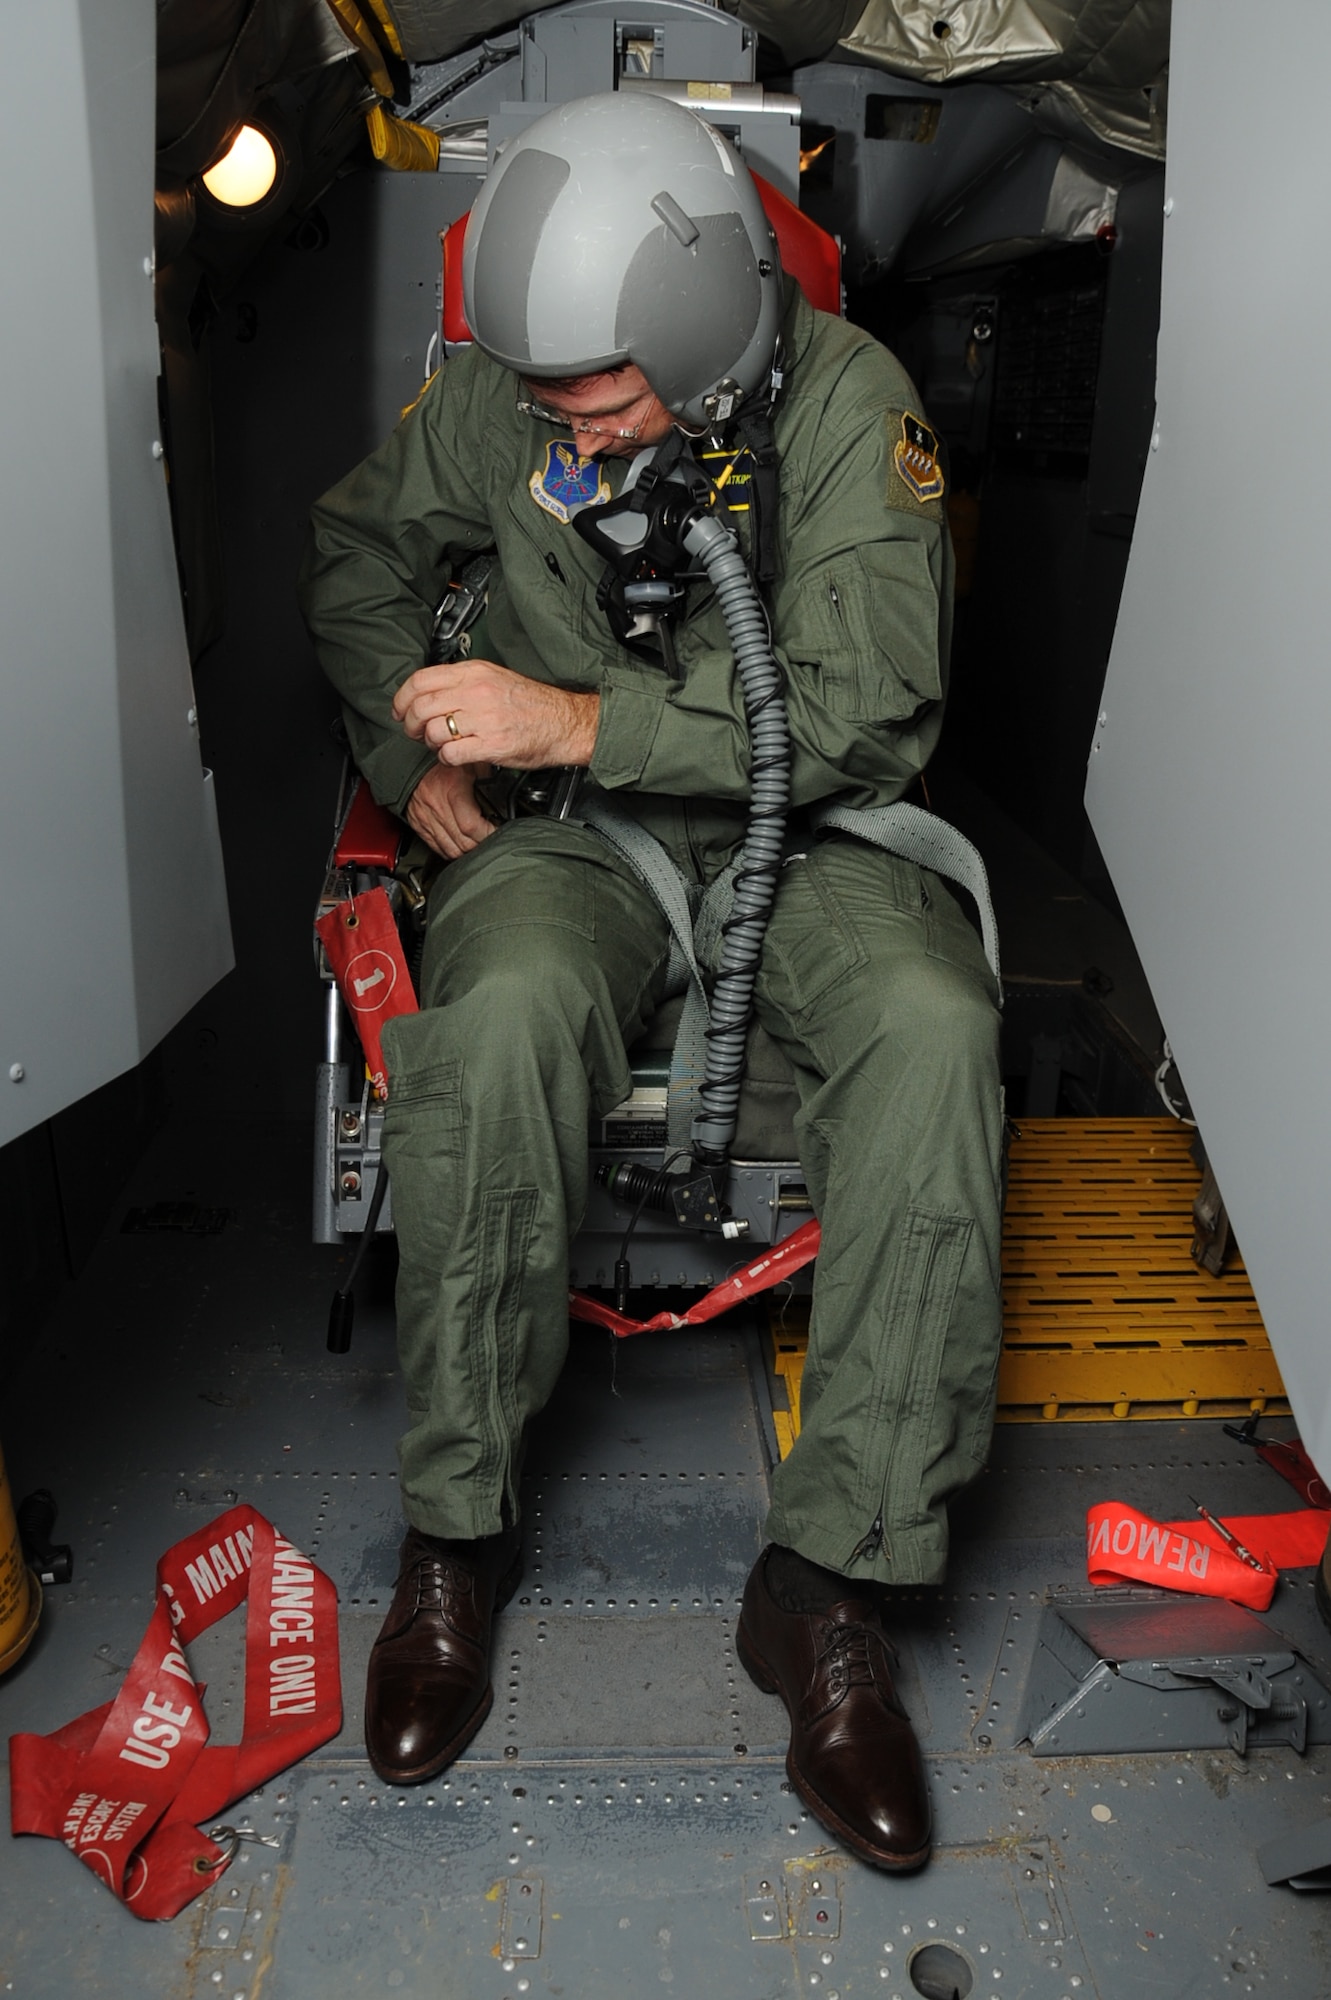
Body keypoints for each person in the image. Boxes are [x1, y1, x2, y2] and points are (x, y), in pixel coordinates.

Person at [299, 90, 1005, 1874]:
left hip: (815, 832)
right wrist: (413, 757)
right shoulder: (504, 388)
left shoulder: (851, 409)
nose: (558, 424)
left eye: (597, 399)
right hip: (568, 837)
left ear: (700, 343)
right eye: (541, 397)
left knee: (934, 1034)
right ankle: (458, 1533)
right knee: (496, 1018)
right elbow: (357, 560)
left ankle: (828, 1585)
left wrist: (584, 715)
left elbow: (858, 708)